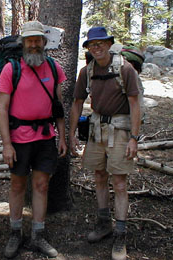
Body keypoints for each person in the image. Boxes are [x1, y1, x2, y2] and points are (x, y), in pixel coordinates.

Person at [0, 20, 67, 258]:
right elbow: (2, 109)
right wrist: (7, 144)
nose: (34, 45)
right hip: (18, 137)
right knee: (17, 185)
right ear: (23, 43)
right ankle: (15, 233)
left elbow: (58, 106)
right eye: (30, 41)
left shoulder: (54, 68)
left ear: (44, 43)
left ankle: (38, 235)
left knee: (41, 185)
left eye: (38, 40)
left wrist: (63, 137)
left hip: (46, 137)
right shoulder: (11, 69)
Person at [69, 27, 141, 260]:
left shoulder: (125, 69)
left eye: (100, 43)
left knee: (119, 183)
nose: (96, 47)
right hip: (96, 130)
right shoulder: (86, 72)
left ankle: (120, 234)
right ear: (88, 48)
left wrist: (134, 138)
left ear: (109, 44)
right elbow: (78, 103)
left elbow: (135, 104)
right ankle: (104, 224)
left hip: (120, 131)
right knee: (99, 176)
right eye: (92, 44)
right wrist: (71, 134)